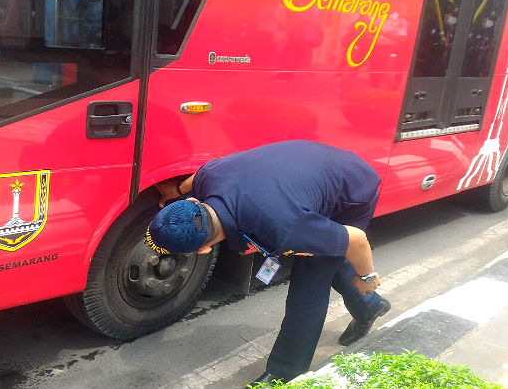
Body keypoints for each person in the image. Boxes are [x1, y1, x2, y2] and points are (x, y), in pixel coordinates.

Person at [147, 140, 391, 385]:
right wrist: (177, 190)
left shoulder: (285, 230)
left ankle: (286, 372)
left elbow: (356, 241)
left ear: (203, 249)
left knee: (309, 284)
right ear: (193, 202)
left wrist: (366, 276)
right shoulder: (211, 176)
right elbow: (197, 176)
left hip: (352, 191)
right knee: (325, 252)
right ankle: (370, 307)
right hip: (314, 163)